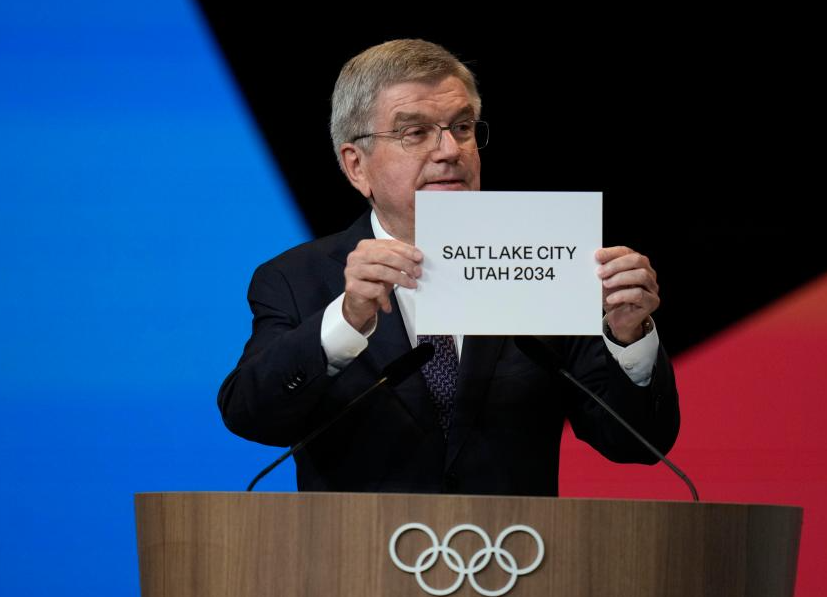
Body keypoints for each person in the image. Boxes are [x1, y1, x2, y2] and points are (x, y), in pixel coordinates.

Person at [218, 39, 681, 495]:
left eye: (461, 127)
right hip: (360, 544)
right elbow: (251, 416)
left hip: (514, 542)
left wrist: (628, 336)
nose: (449, 150)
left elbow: (636, 442)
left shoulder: (541, 262)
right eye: (415, 132)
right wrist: (345, 318)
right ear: (356, 166)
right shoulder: (295, 280)